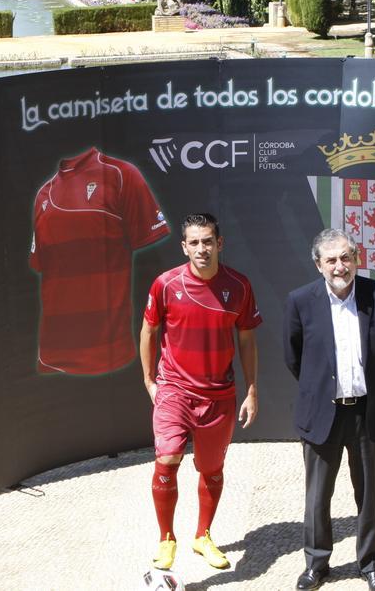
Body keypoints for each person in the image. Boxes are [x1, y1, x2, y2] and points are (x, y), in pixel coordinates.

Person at [141, 213, 261, 572]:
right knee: (168, 457)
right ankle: (167, 539)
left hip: (219, 395)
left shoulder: (238, 286)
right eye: (194, 242)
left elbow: (247, 339)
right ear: (184, 246)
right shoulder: (165, 283)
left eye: (207, 241)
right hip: (174, 388)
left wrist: (252, 389)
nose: (201, 249)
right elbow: (149, 330)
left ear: (219, 243)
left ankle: (202, 535)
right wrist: (150, 380)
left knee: (211, 470)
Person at [283, 229, 375, 591]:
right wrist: (323, 389)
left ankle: (371, 565)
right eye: (331, 259)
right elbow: (294, 357)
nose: (340, 266)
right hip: (322, 412)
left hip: (368, 411)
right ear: (319, 265)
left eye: (346, 257)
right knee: (318, 495)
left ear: (356, 258)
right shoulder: (300, 300)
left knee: (369, 494)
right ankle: (317, 564)